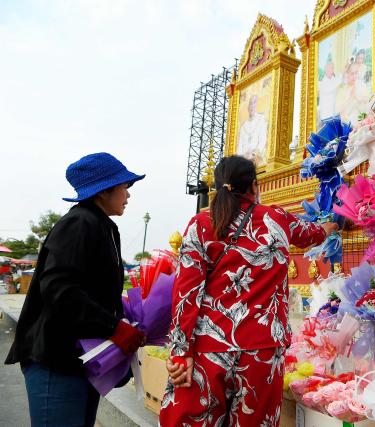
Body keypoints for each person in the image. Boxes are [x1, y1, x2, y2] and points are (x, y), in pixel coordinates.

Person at [160, 156, 338, 426]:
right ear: (255, 186)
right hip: (263, 351)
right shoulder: (276, 219)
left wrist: (180, 353)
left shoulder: (200, 225)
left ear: (217, 188)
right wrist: (333, 225)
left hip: (209, 348)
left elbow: (186, 293)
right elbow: (313, 233)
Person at [5, 152, 147, 427]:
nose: (128, 194)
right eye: (124, 186)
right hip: (55, 361)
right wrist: (113, 327)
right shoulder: (79, 223)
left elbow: (92, 290)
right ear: (104, 191)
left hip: (77, 359)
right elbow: (59, 288)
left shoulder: (101, 225)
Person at [237, 94, 268, 164]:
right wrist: (243, 156)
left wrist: (254, 153)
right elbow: (239, 148)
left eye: (254, 103)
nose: (251, 106)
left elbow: (262, 140)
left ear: (257, 105)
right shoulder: (243, 126)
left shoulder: (261, 119)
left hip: (257, 159)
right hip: (244, 162)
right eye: (250, 103)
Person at [317, 55, 341, 126]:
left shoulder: (335, 79)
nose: (330, 70)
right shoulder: (321, 82)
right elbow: (330, 88)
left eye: (332, 68)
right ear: (325, 69)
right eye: (328, 68)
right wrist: (341, 77)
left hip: (336, 114)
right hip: (326, 115)